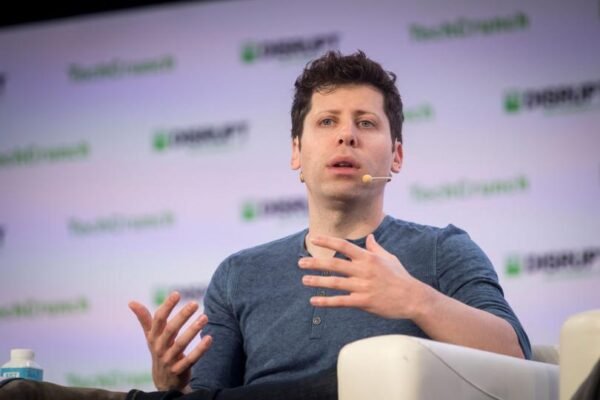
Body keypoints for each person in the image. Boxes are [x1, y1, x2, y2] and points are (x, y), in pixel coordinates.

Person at [128, 50, 531, 399]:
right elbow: (206, 396)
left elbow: (517, 360)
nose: (346, 136)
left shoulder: (443, 250)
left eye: (366, 123)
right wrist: (171, 387)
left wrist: (416, 300)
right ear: (296, 152)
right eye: (327, 122)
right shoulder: (239, 274)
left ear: (396, 156)